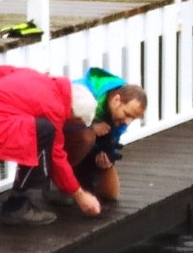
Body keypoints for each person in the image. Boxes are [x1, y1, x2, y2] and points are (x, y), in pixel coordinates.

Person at [0, 64, 102, 225]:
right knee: (44, 131)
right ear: (73, 114)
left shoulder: (37, 77)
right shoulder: (54, 109)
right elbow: (56, 157)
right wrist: (80, 195)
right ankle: (18, 204)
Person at [60, 68, 147, 199]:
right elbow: (57, 121)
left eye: (133, 118)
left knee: (111, 194)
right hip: (61, 143)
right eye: (127, 114)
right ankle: (59, 182)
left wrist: (108, 159)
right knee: (87, 137)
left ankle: (79, 181)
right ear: (116, 100)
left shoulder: (118, 116)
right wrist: (90, 127)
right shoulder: (83, 92)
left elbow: (111, 143)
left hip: (89, 150)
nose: (127, 122)